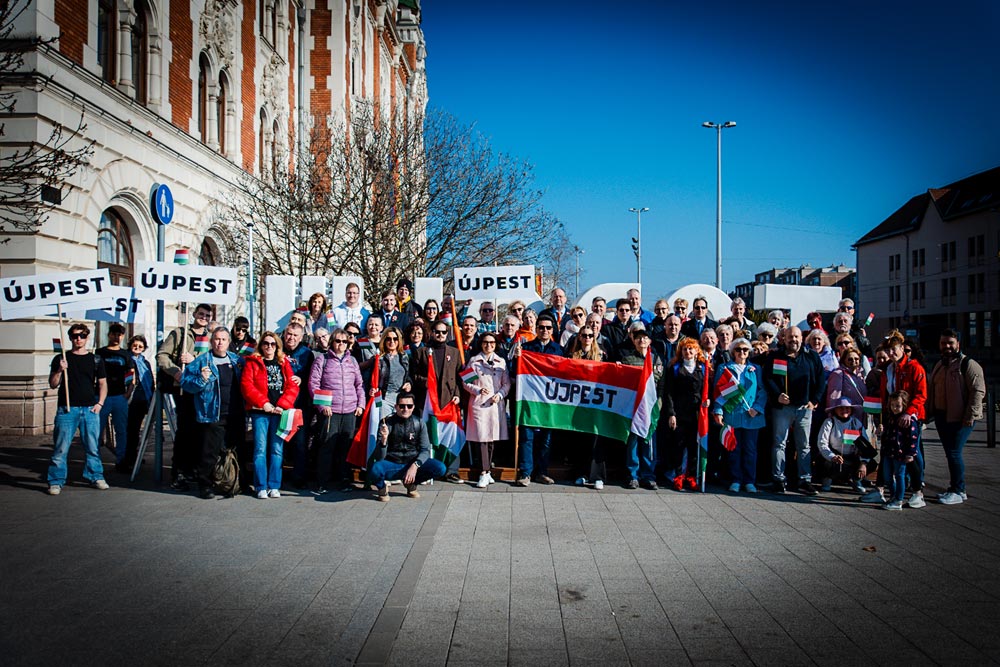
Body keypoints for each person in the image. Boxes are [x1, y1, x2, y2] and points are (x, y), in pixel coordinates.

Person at [179, 327, 245, 499]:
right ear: (211, 341)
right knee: (209, 452)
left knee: (237, 450)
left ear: (228, 342)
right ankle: (205, 485)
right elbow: (186, 384)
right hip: (213, 414)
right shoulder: (202, 361)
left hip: (235, 413)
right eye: (216, 339)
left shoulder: (237, 360)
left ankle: (237, 484)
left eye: (223, 339)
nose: (219, 342)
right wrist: (201, 379)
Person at [46, 323, 108, 495]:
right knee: (61, 448)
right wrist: (60, 370)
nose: (78, 339)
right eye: (75, 336)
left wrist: (100, 403)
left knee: (92, 447)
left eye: (82, 335)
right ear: (70, 338)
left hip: (89, 409)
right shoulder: (61, 358)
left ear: (87, 337)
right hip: (67, 409)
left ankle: (96, 476)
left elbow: (102, 383)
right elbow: (53, 384)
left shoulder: (95, 359)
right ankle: (56, 481)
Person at [156, 302, 213, 490]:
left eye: (207, 316)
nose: (203, 318)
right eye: (201, 314)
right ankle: (179, 473)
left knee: (200, 432)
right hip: (184, 389)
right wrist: (176, 372)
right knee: (184, 433)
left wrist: (194, 360)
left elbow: (211, 361)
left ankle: (194, 470)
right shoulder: (180, 334)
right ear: (194, 314)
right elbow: (162, 356)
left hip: (202, 391)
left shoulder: (209, 338)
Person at [764, 326, 824, 495]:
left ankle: (805, 480)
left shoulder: (811, 356)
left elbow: (821, 380)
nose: (794, 340)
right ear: (784, 338)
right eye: (790, 337)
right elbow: (768, 378)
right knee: (779, 443)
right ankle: (778, 479)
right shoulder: (776, 356)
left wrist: (814, 400)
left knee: (804, 445)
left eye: (796, 336)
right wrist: (777, 395)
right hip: (782, 408)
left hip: (804, 408)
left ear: (802, 338)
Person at [928, 329, 985, 505]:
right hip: (942, 417)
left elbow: (978, 391)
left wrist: (970, 415)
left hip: (961, 418)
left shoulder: (968, 364)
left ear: (958, 344)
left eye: (950, 343)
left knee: (954, 452)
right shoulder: (940, 364)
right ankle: (955, 488)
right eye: (943, 343)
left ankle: (958, 490)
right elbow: (932, 389)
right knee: (950, 453)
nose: (947, 346)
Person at [241, 331, 300, 499]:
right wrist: (263, 403)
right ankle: (261, 486)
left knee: (277, 449)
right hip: (260, 412)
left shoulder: (283, 362)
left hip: (279, 412)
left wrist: (283, 405)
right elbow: (247, 386)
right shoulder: (252, 362)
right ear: (261, 345)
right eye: (266, 343)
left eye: (273, 344)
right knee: (260, 449)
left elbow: (292, 386)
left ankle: (274, 485)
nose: (269, 346)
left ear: (277, 346)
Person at [309, 328, 365, 493]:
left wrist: (360, 404)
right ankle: (322, 482)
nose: (341, 344)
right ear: (332, 342)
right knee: (327, 446)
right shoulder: (322, 360)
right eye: (338, 341)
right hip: (330, 411)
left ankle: (344, 480)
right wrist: (322, 406)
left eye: (344, 341)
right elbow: (313, 384)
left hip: (349, 410)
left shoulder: (352, 361)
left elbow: (359, 384)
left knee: (345, 447)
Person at [512, 315, 563, 486]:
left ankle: (541, 472)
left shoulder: (558, 350)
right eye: (541, 327)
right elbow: (514, 372)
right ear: (536, 329)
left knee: (546, 440)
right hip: (529, 400)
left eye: (548, 328)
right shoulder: (525, 348)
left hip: (549, 402)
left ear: (552, 330)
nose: (545, 330)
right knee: (527, 437)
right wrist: (517, 358)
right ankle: (525, 473)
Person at [879, 329, 927, 508]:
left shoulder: (914, 367)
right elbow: (885, 394)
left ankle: (918, 491)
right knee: (891, 452)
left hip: (911, 417)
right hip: (893, 416)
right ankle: (892, 492)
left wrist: (909, 412)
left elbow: (921, 394)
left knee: (913, 454)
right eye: (888, 350)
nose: (891, 353)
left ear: (902, 348)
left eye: (894, 349)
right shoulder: (888, 369)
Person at [712, 338, 767, 493]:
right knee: (733, 449)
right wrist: (718, 410)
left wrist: (757, 408)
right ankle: (735, 479)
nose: (742, 352)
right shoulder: (724, 368)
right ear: (733, 352)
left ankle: (749, 481)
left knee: (750, 450)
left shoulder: (756, 369)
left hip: (751, 415)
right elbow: (718, 391)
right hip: (732, 414)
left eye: (745, 349)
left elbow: (763, 390)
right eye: (738, 349)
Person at [410, 321, 463, 482]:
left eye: (443, 332)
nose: (440, 335)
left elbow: (459, 377)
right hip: (428, 402)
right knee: (428, 436)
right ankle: (427, 470)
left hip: (448, 402)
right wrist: (426, 382)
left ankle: (451, 471)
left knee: (452, 436)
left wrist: (457, 394)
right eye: (437, 332)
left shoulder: (454, 352)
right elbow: (413, 375)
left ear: (447, 334)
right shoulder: (421, 352)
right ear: (432, 332)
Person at [371, 392, 447, 501]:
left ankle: (411, 484)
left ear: (413, 407)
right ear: (396, 407)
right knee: (375, 469)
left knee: (440, 468)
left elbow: (425, 450)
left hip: (412, 461)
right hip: (393, 464)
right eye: (402, 406)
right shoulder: (386, 423)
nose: (405, 409)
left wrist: (415, 466)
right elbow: (379, 457)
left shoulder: (419, 423)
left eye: (409, 406)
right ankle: (382, 489)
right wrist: (384, 440)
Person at [462, 332, 511, 488]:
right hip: (479, 403)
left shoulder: (501, 362)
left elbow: (507, 383)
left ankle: (488, 470)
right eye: (485, 342)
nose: (488, 345)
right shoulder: (474, 361)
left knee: (491, 439)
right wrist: (477, 390)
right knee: (482, 438)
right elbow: (466, 382)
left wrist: (500, 394)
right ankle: (483, 472)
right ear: (481, 344)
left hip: (495, 404)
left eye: (492, 342)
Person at [661, 337, 709, 492]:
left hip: (696, 413)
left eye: (690, 349)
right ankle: (678, 476)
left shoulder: (703, 368)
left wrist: (708, 401)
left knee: (693, 446)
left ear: (696, 351)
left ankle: (691, 476)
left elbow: (707, 390)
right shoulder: (675, 368)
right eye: (685, 349)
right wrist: (671, 414)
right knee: (678, 445)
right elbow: (669, 392)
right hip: (680, 412)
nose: (688, 352)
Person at [620, 325, 664, 490]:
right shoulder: (627, 359)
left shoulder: (656, 359)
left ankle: (648, 476)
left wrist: (658, 405)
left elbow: (661, 384)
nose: (642, 340)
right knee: (632, 442)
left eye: (645, 337)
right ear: (633, 340)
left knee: (648, 442)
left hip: (650, 407)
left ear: (650, 341)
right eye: (638, 337)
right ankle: (633, 475)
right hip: (633, 407)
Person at [565, 324, 609, 490]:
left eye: (590, 335)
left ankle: (597, 476)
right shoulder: (572, 356)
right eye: (584, 335)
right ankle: (581, 474)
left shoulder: (602, 355)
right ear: (579, 337)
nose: (587, 338)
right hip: (577, 404)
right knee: (580, 440)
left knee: (597, 440)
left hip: (597, 404)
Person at [97, 322, 134, 470]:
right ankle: (95, 462)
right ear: (109, 335)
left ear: (123, 336)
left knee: (121, 430)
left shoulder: (125, 354)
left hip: (120, 396)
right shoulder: (100, 352)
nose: (117, 337)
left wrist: (128, 393)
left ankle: (121, 460)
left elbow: (131, 374)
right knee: (97, 431)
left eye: (120, 334)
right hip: (102, 398)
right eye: (114, 334)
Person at [816, 397, 872, 493]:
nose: (844, 410)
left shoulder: (856, 423)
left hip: (852, 456)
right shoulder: (829, 422)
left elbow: (865, 445)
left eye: (847, 408)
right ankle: (827, 479)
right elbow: (822, 443)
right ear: (835, 410)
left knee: (871, 463)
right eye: (841, 408)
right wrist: (832, 456)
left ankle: (856, 479)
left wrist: (863, 464)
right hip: (835, 454)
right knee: (825, 462)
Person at [282, 321, 314, 486]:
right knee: (280, 441)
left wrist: (302, 378)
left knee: (300, 442)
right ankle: (277, 476)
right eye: (289, 334)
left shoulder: (307, 353)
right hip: (280, 404)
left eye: (295, 335)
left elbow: (313, 376)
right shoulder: (278, 350)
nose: (291, 338)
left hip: (300, 405)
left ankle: (299, 477)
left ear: (301, 337)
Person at [882, 390, 921, 511]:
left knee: (900, 476)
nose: (894, 408)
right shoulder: (890, 418)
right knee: (887, 476)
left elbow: (913, 438)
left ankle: (898, 500)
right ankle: (893, 496)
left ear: (904, 405)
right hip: (889, 452)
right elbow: (886, 435)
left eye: (898, 405)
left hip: (901, 453)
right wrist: (881, 431)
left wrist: (910, 454)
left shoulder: (909, 420)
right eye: (892, 405)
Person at [124, 334, 155, 474]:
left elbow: (150, 379)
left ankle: (135, 455)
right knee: (130, 430)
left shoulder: (145, 362)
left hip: (143, 399)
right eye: (135, 345)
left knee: (137, 430)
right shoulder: (127, 359)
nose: (137, 348)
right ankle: (128, 458)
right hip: (131, 399)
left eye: (140, 346)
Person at [378, 326, 412, 418]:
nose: (392, 341)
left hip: (401, 398)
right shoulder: (379, 358)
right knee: (384, 424)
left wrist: (409, 383)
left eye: (395, 339)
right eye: (388, 339)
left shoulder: (404, 356)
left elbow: (408, 375)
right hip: (385, 398)